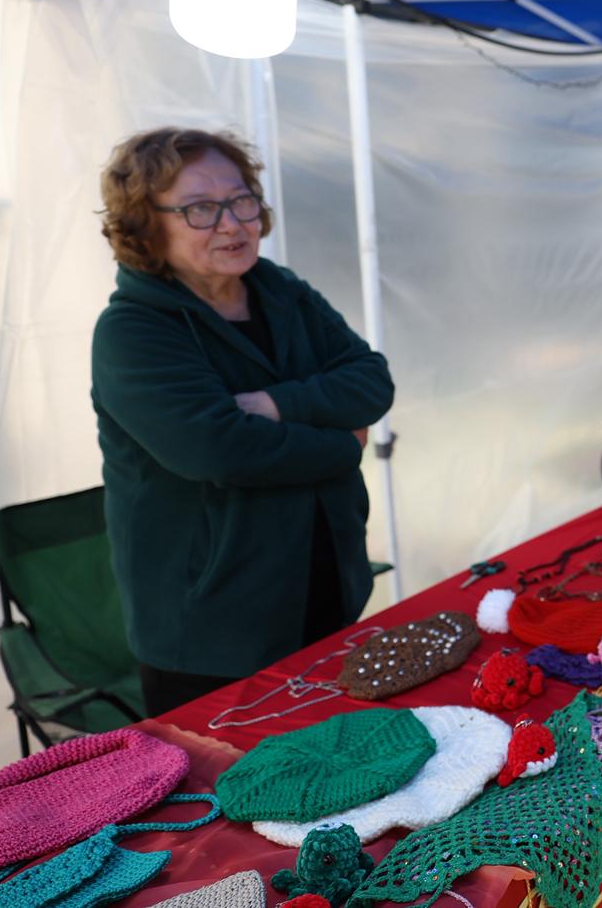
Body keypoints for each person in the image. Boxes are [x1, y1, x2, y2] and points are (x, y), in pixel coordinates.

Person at [92, 127, 393, 716]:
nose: (232, 224)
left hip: (324, 589)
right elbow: (220, 451)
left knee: (343, 777)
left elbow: (371, 380)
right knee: (235, 797)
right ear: (146, 224)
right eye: (200, 209)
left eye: (241, 200)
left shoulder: (277, 289)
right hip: (214, 632)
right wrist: (342, 444)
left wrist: (280, 406)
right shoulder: (133, 331)